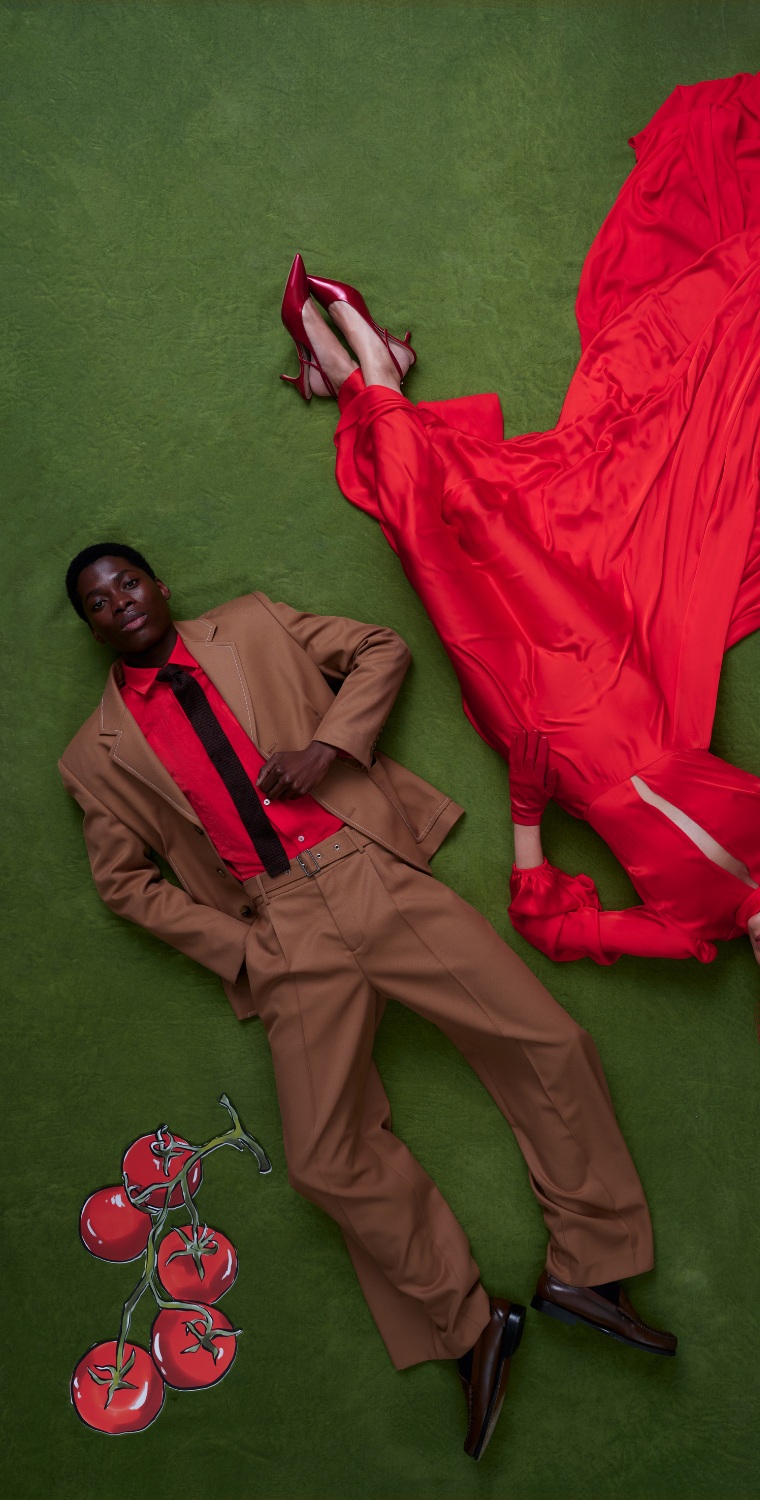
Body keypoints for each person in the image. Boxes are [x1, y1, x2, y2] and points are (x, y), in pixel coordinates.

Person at [277, 29, 760, 1051]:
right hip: (615, 668)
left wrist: (529, 808)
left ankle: (358, 369)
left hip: (532, 727)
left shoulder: (690, 932)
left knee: (422, 543)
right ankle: (363, 371)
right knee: (478, 516)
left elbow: (550, 925)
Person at [59, 545, 679, 1462]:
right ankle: (469, 1326)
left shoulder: (256, 621)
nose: (119, 605)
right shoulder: (92, 755)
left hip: (368, 869)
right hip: (276, 927)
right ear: (95, 628)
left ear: (159, 586)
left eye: (127, 585)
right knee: (321, 1154)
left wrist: (330, 745)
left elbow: (382, 648)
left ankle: (592, 1271)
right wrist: (242, 951)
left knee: (544, 1041)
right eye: (99, 605)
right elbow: (125, 883)